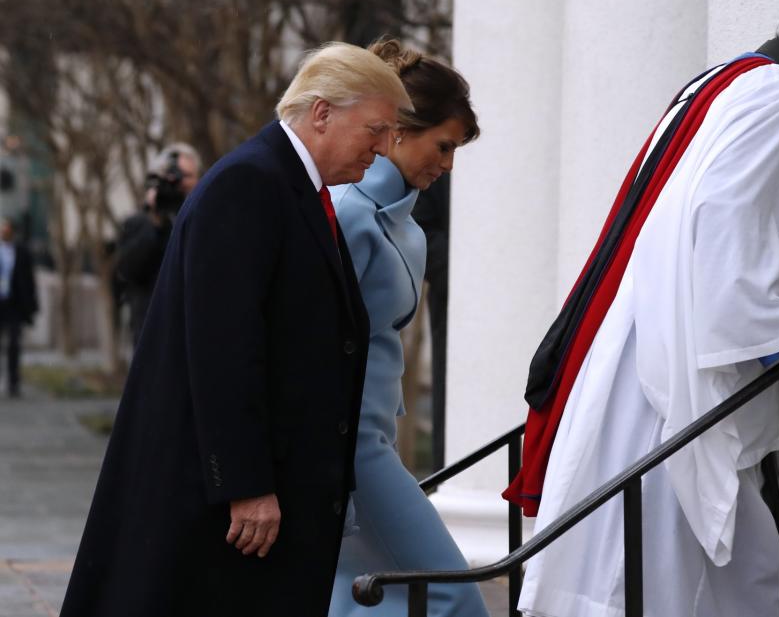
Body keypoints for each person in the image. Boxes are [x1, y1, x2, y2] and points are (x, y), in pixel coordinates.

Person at [505, 0, 779, 617]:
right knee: (676, 563)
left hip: (653, 342)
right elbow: (722, 217)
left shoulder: (727, 79)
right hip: (680, 369)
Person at [60, 42, 412, 617]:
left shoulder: (292, 185)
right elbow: (223, 348)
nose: (380, 148)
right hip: (227, 508)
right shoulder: (249, 184)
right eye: (374, 129)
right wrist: (245, 484)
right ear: (321, 113)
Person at [327, 38, 487, 617]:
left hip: (374, 442)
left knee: (357, 599)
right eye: (442, 146)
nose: (446, 166)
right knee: (448, 596)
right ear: (397, 131)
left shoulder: (404, 226)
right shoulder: (347, 212)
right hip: (349, 451)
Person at [115, 143, 202, 344]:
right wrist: (155, 222)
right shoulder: (140, 222)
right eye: (172, 176)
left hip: (193, 326)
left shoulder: (204, 219)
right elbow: (127, 269)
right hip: (150, 328)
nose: (178, 183)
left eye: (186, 176)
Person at [0, 218, 37, 398]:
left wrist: (32, 307)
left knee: (14, 343)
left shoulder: (22, 252)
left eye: (6, 228)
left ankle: (13, 382)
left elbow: (29, 280)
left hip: (13, 304)